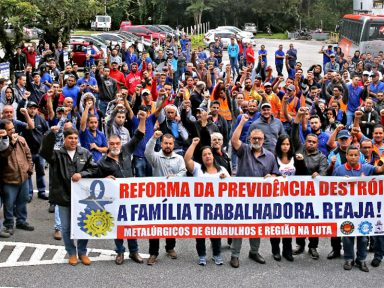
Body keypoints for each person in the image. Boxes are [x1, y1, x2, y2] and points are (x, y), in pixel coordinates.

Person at [94, 110, 147, 265]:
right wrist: (104, 179)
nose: (115, 146)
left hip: (130, 196)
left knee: (130, 225)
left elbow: (139, 135)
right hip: (114, 199)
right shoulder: (102, 162)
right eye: (112, 144)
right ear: (108, 146)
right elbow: (94, 179)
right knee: (118, 226)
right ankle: (120, 252)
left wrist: (142, 119)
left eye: (117, 143)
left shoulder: (125, 150)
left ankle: (134, 251)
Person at [40, 127, 98, 266]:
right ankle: (71, 253)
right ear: (64, 139)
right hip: (63, 196)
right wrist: (50, 134)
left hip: (82, 198)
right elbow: (44, 151)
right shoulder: (56, 154)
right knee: (66, 227)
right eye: (70, 138)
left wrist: (82, 174)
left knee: (84, 226)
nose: (73, 141)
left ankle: (82, 252)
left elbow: (95, 169)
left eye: (75, 138)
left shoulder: (84, 153)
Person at [230, 114, 280, 268]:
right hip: (242, 197)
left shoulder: (270, 156)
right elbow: (233, 141)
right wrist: (242, 123)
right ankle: (235, 255)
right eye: (254, 138)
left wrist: (271, 176)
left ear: (263, 140)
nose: (257, 140)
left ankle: (254, 251)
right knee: (239, 226)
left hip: (260, 199)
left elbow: (275, 174)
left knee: (256, 226)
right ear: (250, 139)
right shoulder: (244, 150)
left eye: (259, 138)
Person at [333, 145, 384, 272]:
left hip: (363, 210)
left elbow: (380, 169)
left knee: (363, 236)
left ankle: (361, 260)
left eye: (356, 155)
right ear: (346, 156)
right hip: (346, 209)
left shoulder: (367, 168)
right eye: (351, 155)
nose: (353, 157)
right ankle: (349, 259)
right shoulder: (339, 170)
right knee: (347, 235)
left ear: (359, 156)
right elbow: (329, 187)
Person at [184, 137, 229, 266]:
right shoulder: (197, 169)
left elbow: (232, 187)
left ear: (213, 156)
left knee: (216, 232)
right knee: (200, 233)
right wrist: (193, 144)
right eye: (204, 155)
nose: (207, 156)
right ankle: (202, 255)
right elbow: (187, 159)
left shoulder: (222, 170)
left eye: (209, 154)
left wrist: (225, 179)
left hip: (217, 208)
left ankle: (216, 254)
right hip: (200, 207)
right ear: (202, 158)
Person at [144, 131, 187, 265]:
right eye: (165, 143)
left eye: (170, 143)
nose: (168, 146)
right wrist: (153, 138)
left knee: (170, 223)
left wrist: (176, 177)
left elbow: (183, 172)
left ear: (173, 145)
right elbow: (147, 152)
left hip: (173, 197)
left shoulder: (179, 158)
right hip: (157, 197)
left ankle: (170, 247)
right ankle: (153, 253)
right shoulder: (156, 157)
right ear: (161, 144)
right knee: (155, 225)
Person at [291, 107, 328, 259]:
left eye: (314, 142)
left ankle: (313, 246)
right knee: (300, 219)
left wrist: (318, 174)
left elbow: (324, 173)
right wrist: (298, 117)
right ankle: (300, 244)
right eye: (309, 141)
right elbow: (293, 134)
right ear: (305, 142)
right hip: (299, 193)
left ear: (317, 144)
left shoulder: (322, 157)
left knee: (313, 221)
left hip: (314, 194)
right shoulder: (299, 149)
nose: (311, 143)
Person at [0, 119, 34, 235]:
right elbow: (3, 156)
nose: (12, 131)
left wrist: (29, 170)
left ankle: (21, 221)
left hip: (23, 177)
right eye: (9, 130)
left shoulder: (21, 139)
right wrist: (11, 144)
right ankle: (9, 224)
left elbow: (28, 154)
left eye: (13, 129)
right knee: (9, 204)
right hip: (9, 179)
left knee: (22, 200)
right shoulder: (2, 142)